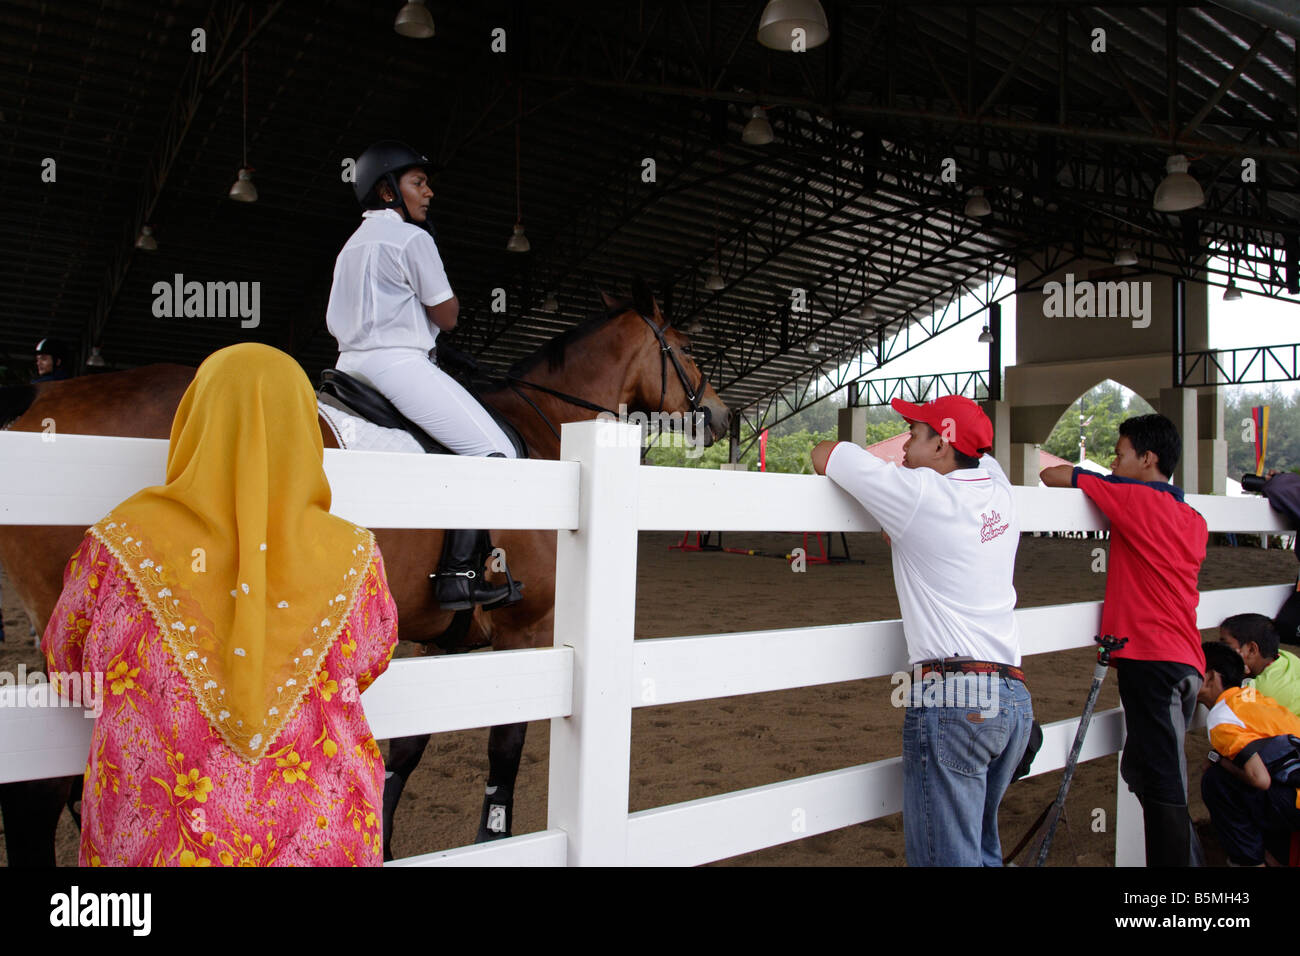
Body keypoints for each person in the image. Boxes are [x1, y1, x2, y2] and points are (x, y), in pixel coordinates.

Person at [41, 343, 398, 866]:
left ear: (194, 422)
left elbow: (65, 664)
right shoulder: (355, 557)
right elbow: (371, 659)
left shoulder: (118, 545)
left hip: (154, 844)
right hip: (325, 837)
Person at [812, 395, 1033, 866]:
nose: (903, 446)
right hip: (1013, 700)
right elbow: (985, 455)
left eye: (915, 433)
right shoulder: (1000, 491)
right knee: (981, 851)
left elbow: (825, 453)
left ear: (942, 445)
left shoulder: (920, 494)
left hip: (955, 699)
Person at [326, 140, 520, 611]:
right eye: (418, 182)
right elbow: (448, 315)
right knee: (496, 451)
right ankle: (458, 572)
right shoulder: (414, 240)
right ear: (389, 192)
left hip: (348, 367)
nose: (428, 191)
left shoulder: (350, 247)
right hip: (397, 366)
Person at [1041, 413, 1207, 866]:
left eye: (1119, 454)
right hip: (1185, 659)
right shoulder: (1191, 515)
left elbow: (1051, 474)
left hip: (1152, 662)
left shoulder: (1132, 498)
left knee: (1163, 791)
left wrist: (1093, 477)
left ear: (1147, 458)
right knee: (1161, 780)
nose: (1113, 464)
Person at [1197, 642, 1300, 866]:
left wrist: (1217, 759)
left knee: (1217, 781)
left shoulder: (1222, 716)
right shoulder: (1255, 698)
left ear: (1208, 677)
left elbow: (1260, 779)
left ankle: (1249, 862)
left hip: (1294, 801)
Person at [1219, 613, 1300, 716]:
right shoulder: (1286, 657)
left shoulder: (1260, 690)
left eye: (1225, 645)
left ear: (1252, 649)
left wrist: (1238, 674)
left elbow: (1227, 711)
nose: (1220, 650)